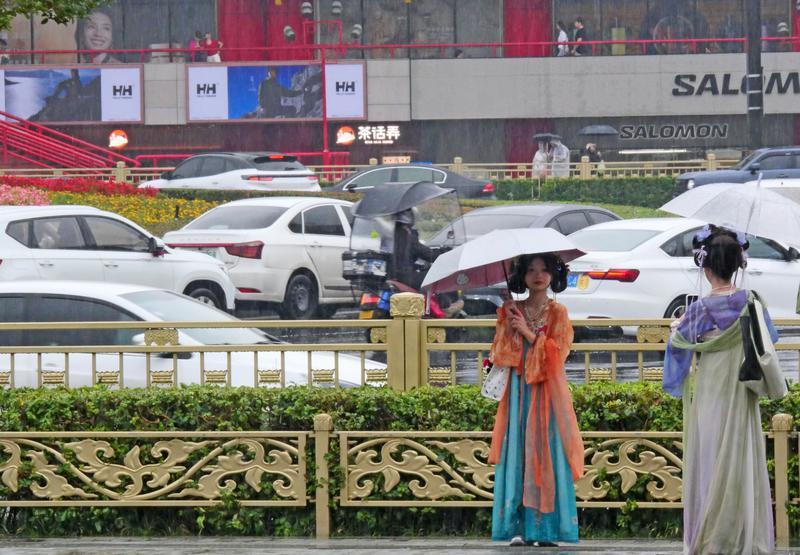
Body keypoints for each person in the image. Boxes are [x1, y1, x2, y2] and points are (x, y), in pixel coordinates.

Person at [663, 225, 776, 555]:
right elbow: (770, 338)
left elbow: (679, 346)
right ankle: (744, 532)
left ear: (706, 267)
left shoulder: (699, 309)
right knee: (742, 455)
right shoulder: (751, 301)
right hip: (742, 386)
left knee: (711, 456)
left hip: (712, 387)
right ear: (740, 264)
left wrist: (676, 328)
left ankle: (714, 535)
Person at [489, 253, 583, 547]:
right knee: (517, 449)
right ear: (522, 276)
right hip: (518, 390)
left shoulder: (559, 313)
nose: (538, 276)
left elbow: (559, 353)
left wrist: (529, 334)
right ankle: (516, 526)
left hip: (547, 391)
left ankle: (545, 530)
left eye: (544, 270)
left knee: (545, 450)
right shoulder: (510, 309)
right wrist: (510, 328)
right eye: (531, 270)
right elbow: (500, 356)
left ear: (554, 275)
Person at [391, 209, 436, 290]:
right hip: (406, 277)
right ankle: (446, 302)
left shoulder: (390, 233)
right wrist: (441, 253)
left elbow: (400, 257)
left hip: (392, 274)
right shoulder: (407, 235)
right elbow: (427, 254)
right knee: (436, 276)